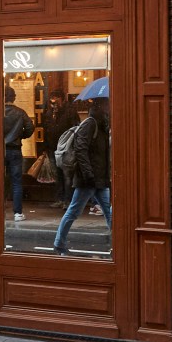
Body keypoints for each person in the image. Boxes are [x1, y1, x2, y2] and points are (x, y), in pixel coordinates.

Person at [52, 95, 113, 256]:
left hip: (99, 178)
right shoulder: (90, 124)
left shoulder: (102, 124)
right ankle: (59, 242)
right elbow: (80, 150)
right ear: (101, 106)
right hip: (89, 179)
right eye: (107, 104)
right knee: (73, 211)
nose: (109, 106)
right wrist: (88, 174)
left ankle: (119, 242)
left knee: (109, 211)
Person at [2, 85, 33, 221]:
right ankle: (17, 213)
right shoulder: (20, 112)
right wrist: (21, 136)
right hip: (14, 149)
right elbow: (30, 127)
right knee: (16, 182)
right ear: (14, 97)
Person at [48, 93, 82, 207]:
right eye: (52, 100)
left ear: (61, 99)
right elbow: (47, 128)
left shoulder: (69, 111)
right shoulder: (50, 112)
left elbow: (75, 127)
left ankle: (67, 200)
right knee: (57, 174)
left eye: (56, 99)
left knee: (67, 175)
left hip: (66, 147)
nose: (53, 102)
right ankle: (60, 199)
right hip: (53, 147)